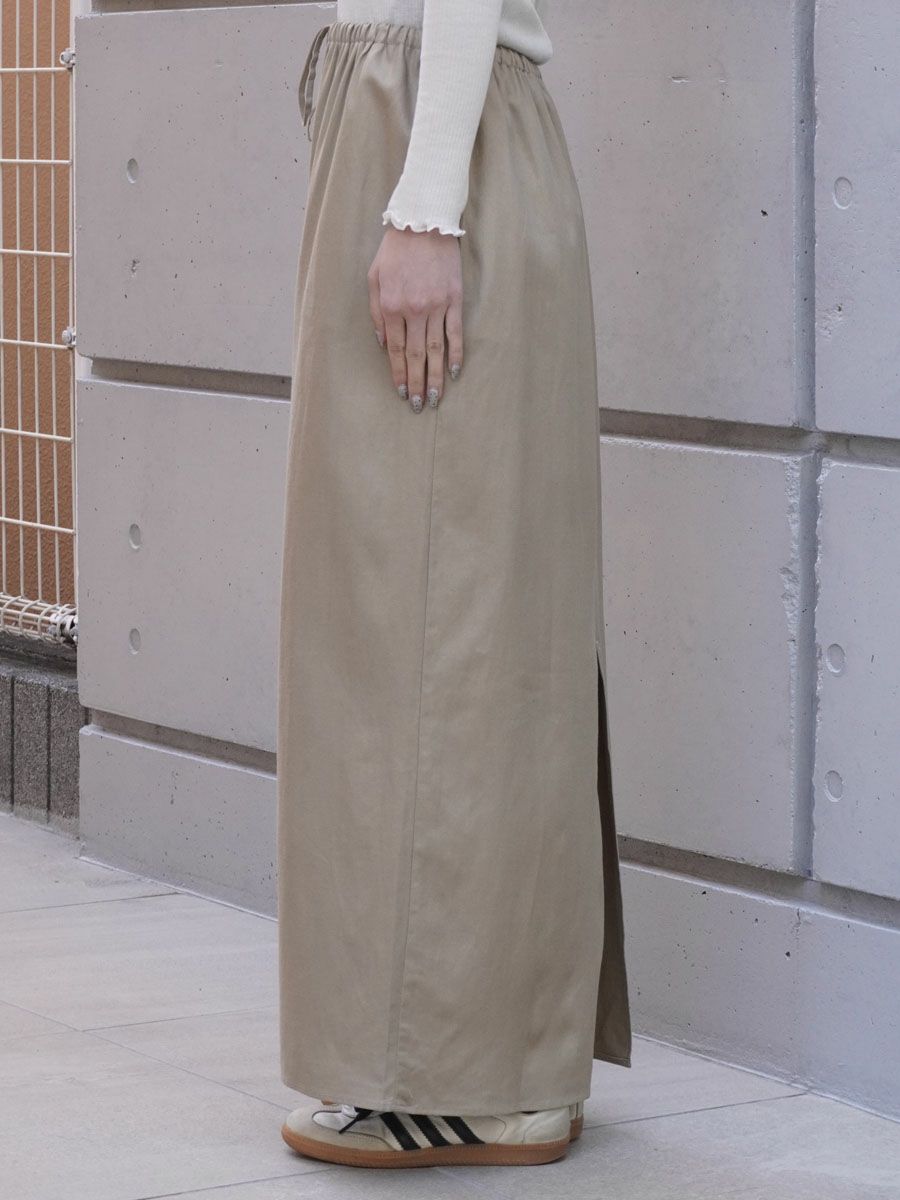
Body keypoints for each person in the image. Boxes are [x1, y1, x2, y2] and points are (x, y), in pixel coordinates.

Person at [276, 0, 632, 1170]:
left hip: (437, 135)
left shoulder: (433, 165)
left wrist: (429, 204)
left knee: (451, 614)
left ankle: (479, 1073)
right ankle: (485, 1056)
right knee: (420, 608)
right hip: (400, 116)